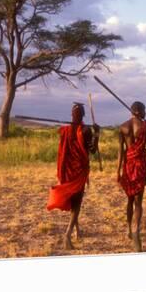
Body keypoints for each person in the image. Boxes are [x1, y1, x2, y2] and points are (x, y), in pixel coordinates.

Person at [47, 102, 100, 249]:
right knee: (77, 204)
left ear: (72, 115)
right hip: (79, 172)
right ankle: (67, 234)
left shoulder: (65, 130)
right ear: (83, 115)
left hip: (67, 171)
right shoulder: (85, 130)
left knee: (74, 202)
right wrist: (97, 134)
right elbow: (93, 150)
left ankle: (77, 230)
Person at [116, 101, 146, 252]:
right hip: (139, 166)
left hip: (127, 167)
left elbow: (121, 151)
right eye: (144, 110)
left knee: (130, 199)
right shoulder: (145, 126)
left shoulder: (123, 126)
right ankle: (135, 232)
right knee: (138, 203)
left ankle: (128, 229)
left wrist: (117, 171)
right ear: (138, 111)